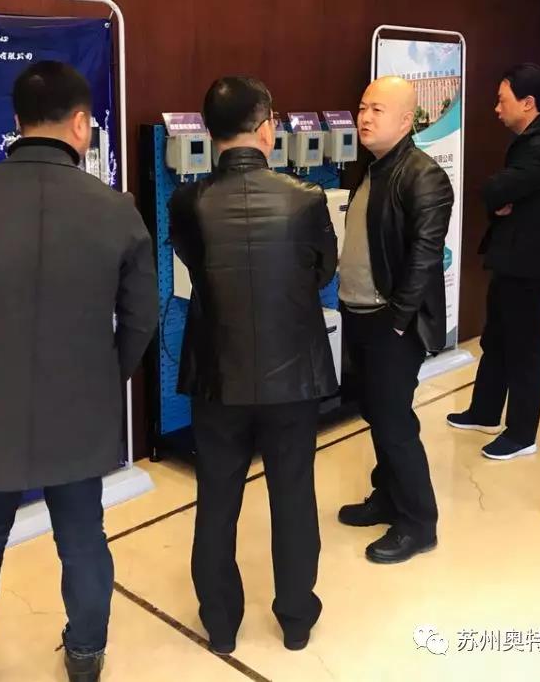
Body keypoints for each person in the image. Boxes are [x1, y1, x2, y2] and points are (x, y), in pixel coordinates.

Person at [0, 61, 158, 682]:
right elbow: (141, 318)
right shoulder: (116, 209)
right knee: (82, 536)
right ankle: (85, 657)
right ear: (80, 123)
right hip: (80, 406)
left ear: (18, 121)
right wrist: (106, 379)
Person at [168, 77, 337, 655]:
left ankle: (220, 624)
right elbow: (321, 271)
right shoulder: (307, 198)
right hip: (294, 377)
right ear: (267, 128)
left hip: (218, 377)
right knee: (294, 495)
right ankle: (295, 619)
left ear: (208, 131)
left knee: (217, 500)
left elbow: (195, 264)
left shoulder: (186, 201)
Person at [337, 76, 454, 564]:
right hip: (360, 315)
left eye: (377, 110)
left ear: (406, 121)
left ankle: (419, 523)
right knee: (376, 414)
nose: (364, 117)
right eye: (363, 107)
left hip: (391, 323)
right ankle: (386, 496)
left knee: (394, 423)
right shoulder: (373, 167)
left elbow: (425, 258)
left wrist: (399, 321)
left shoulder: (423, 175)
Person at [447, 64, 540, 460]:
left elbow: (495, 188)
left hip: (531, 261)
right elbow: (504, 194)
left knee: (523, 346)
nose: (496, 108)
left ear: (528, 103)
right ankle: (485, 410)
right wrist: (504, 200)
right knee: (497, 337)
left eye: (502, 100)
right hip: (515, 255)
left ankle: (522, 433)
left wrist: (500, 197)